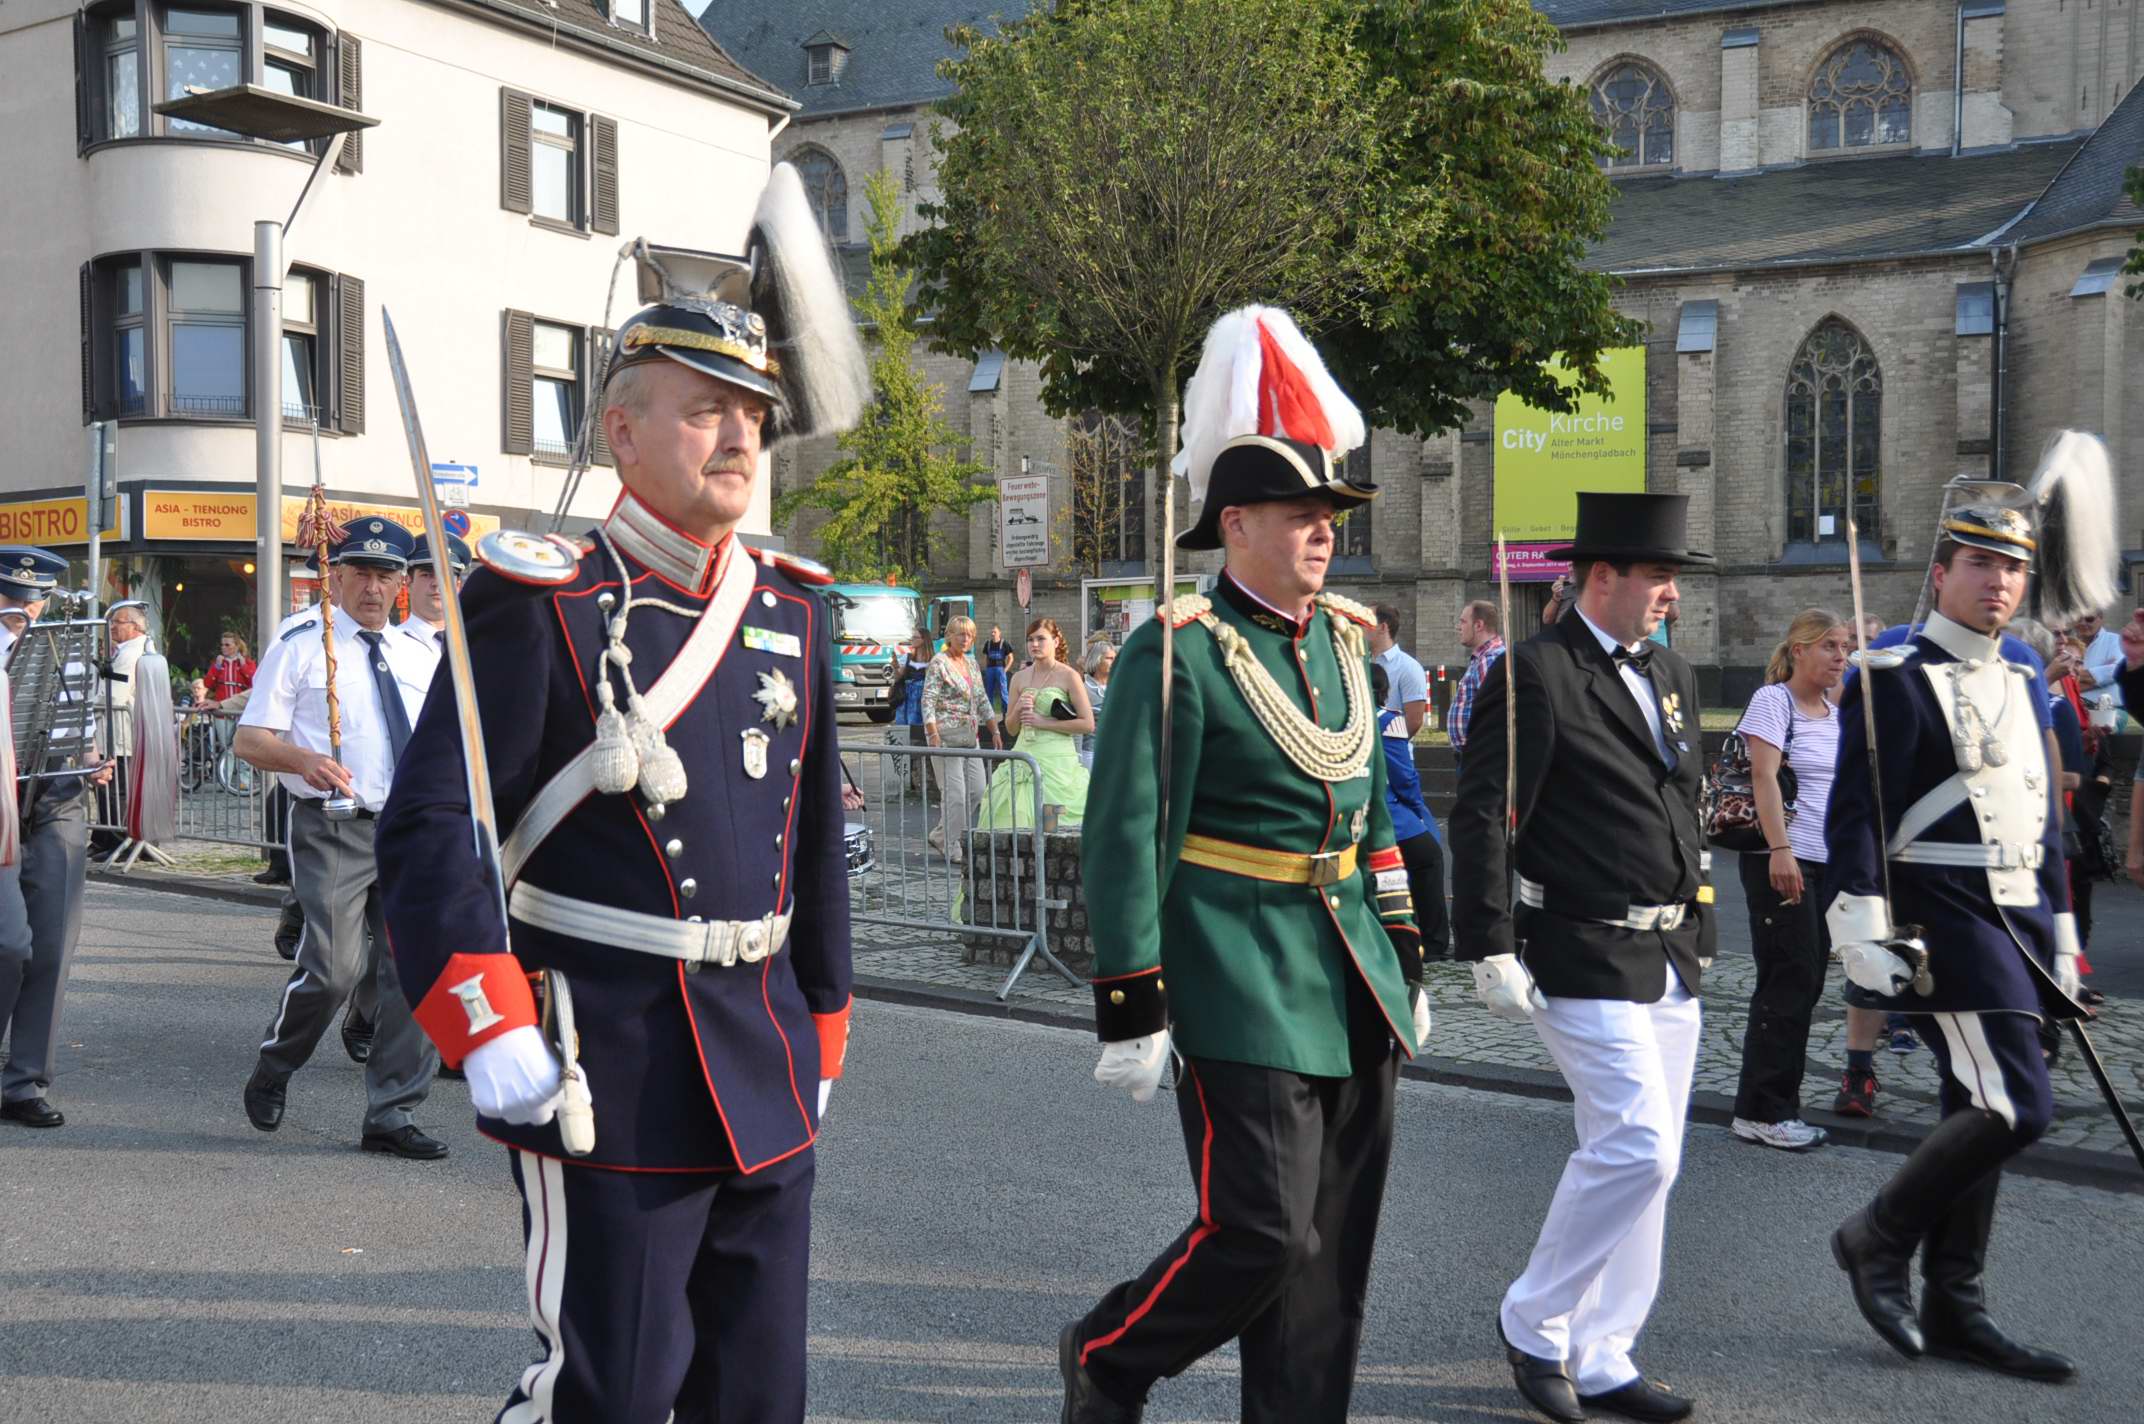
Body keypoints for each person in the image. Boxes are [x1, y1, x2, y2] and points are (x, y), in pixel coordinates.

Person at [379, 163, 867, 1424]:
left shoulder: (792, 607)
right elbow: (434, 826)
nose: (740, 437)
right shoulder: (539, 598)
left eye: (751, 414)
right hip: (610, 1061)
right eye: (705, 410)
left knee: (757, 1398)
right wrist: (485, 1016)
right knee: (608, 1393)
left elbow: (811, 843)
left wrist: (823, 1015)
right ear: (623, 433)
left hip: (762, 1055)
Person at [1060, 305, 1424, 1424]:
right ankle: (1109, 1353)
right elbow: (1124, 832)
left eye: (1330, 514)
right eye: (1300, 513)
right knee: (1261, 1228)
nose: (1323, 532)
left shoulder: (1344, 646)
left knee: (1327, 1255)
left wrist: (1404, 947)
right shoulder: (1173, 653)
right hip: (1236, 971)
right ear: (1235, 523)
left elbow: (1367, 813)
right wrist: (1130, 997)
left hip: (1350, 975)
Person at [1824, 469, 2106, 1384]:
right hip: (1942, 908)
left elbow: (2044, 818)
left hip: (2020, 911)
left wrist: (2064, 938)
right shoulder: (1891, 675)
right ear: (1941, 573)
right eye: (1981, 564)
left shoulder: (2023, 672)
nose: (2000, 582)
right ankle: (1876, 1236)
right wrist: (1861, 925)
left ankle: (1956, 1303)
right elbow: (1856, 814)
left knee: (1970, 1103)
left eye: (2013, 569)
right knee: (2016, 1103)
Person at [1450, 491, 1716, 1424]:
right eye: (1659, 576)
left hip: (1668, 951)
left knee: (1656, 1164)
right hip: (1578, 946)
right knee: (1636, 1146)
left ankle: (1605, 1351)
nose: (1672, 594)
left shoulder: (1672, 671)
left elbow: (1680, 802)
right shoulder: (1535, 671)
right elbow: (1482, 813)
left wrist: (1700, 921)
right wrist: (1486, 940)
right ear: (1603, 576)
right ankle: (1534, 1322)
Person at [236, 520, 444, 1160]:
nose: (373, 588)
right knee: (333, 972)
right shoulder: (303, 643)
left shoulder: (419, 653)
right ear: (336, 576)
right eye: (361, 573)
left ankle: (392, 1113)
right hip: (334, 827)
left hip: (409, 831)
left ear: (402, 583)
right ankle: (276, 1063)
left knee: (417, 971)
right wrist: (303, 760)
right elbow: (250, 740)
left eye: (386, 576)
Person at [1728, 608, 1850, 1152]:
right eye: (1830, 646)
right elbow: (1763, 777)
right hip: (1782, 859)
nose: (1841, 657)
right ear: (1799, 650)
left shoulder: (1834, 712)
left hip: (1824, 860)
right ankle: (1761, 1110)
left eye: (1845, 648)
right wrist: (1780, 850)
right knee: (1788, 979)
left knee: (1807, 980)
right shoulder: (1773, 701)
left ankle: (1777, 1103)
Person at [0, 548, 108, 1128]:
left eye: (34, 600)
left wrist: (93, 760)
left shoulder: (67, 646)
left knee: (52, 947)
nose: (24, 610)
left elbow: (79, 727)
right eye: (11, 599)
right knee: (9, 943)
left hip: (56, 794)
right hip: (1, 799)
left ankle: (23, 1083)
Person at [978, 618, 1092, 830]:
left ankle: (1049, 848)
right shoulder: (1019, 678)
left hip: (1057, 764)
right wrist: (1018, 709)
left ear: (1055, 642)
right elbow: (1011, 729)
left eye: (1041, 639)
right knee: (1013, 824)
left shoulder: (1069, 676)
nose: (1034, 644)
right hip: (1023, 757)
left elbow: (1087, 724)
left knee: (1052, 829)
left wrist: (1044, 723)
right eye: (1030, 639)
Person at [1373, 661, 1449, 960]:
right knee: (1429, 857)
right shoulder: (1387, 721)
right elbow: (1403, 777)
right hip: (1387, 814)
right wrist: (1419, 809)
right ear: (1384, 690)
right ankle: (1432, 942)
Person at [921, 614, 1002, 862]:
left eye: (969, 635)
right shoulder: (939, 663)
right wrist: (932, 733)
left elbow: (982, 699)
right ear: (950, 636)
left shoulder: (972, 663)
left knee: (977, 789)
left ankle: (941, 833)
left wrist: (995, 730)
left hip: (969, 736)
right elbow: (928, 700)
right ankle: (951, 843)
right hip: (944, 736)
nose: (965, 639)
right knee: (955, 793)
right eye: (960, 634)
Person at [91, 601, 152, 856]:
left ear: (135, 626)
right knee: (108, 789)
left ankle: (118, 841)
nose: (112, 627)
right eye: (112, 621)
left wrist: (86, 704)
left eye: (118, 622)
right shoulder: (126, 650)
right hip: (113, 729)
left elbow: (114, 695)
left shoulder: (131, 653)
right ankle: (105, 838)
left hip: (120, 731)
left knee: (116, 790)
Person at [1448, 598, 1504, 762]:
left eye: (1463, 622)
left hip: (1481, 756)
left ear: (1478, 625)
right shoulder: (1482, 658)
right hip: (1474, 755)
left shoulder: (1490, 659)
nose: (1459, 627)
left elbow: (1495, 712)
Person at [1369, 603, 1428, 735]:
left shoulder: (1409, 667)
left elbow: (1414, 720)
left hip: (1390, 746)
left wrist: (1391, 743)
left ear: (1382, 627)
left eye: (1365, 621)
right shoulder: (1360, 662)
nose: (1359, 626)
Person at [2068, 607, 2123, 727]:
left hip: (2112, 711)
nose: (2083, 623)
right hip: (2077, 711)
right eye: (2079, 619)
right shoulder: (2068, 644)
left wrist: (2071, 683)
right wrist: (2101, 677)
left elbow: (2116, 671)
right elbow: (2059, 680)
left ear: (2101, 618)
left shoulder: (2115, 640)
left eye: (2089, 619)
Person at [1079, 635, 1114, 770]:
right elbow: (1077, 730)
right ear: (1097, 660)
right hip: (1091, 753)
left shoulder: (1120, 686)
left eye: (1115, 658)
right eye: (1109, 658)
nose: (1114, 662)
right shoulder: (1084, 689)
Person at [980, 623, 1015, 713]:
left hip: (1000, 669)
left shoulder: (1004, 643)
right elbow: (984, 657)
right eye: (992, 632)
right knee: (989, 692)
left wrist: (1005, 670)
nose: (993, 634)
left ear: (999, 633)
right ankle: (990, 715)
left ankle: (1006, 715)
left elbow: (1011, 658)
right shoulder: (988, 644)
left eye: (994, 632)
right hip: (990, 670)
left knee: (1003, 693)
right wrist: (986, 669)